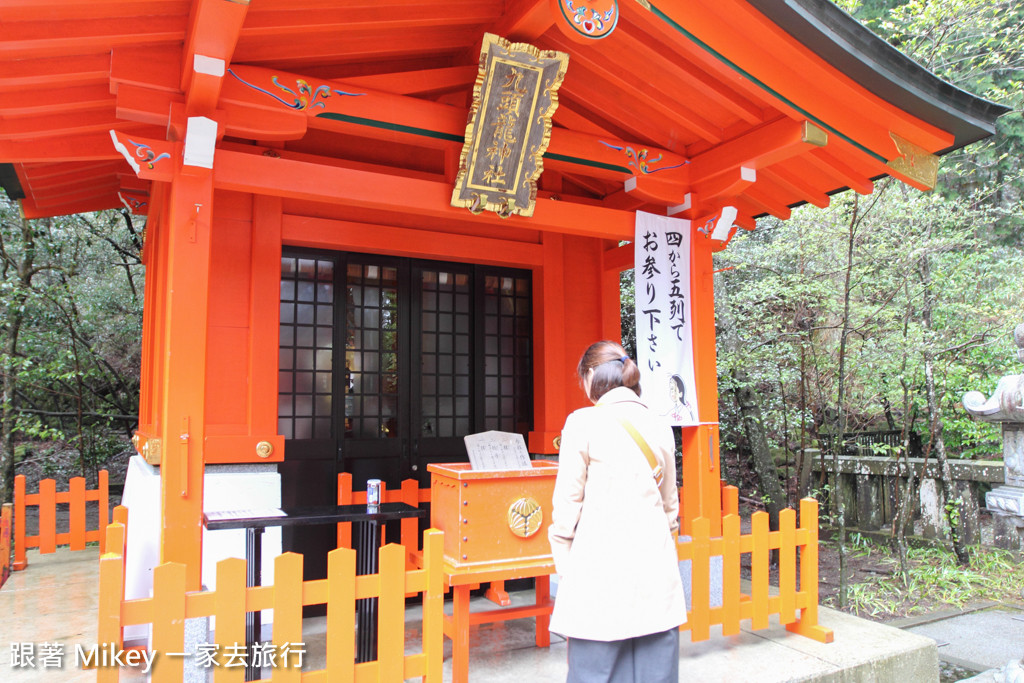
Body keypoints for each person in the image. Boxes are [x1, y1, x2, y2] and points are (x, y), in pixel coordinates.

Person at [548, 340, 687, 683]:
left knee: (596, 674)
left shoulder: (582, 423)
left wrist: (568, 572)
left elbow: (566, 512)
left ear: (592, 375)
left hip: (598, 574)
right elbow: (671, 509)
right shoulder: (659, 425)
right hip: (656, 575)